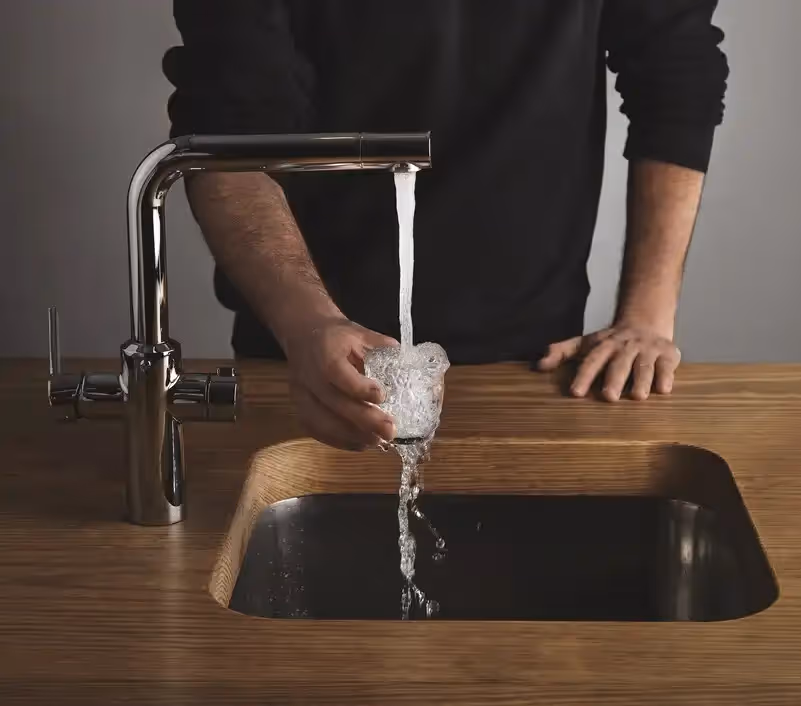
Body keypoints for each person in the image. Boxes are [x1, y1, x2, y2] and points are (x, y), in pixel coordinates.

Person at [164, 0, 729, 450]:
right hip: (304, 365)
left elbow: (676, 76)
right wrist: (308, 324)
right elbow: (225, 141)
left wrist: (648, 317)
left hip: (537, 367)